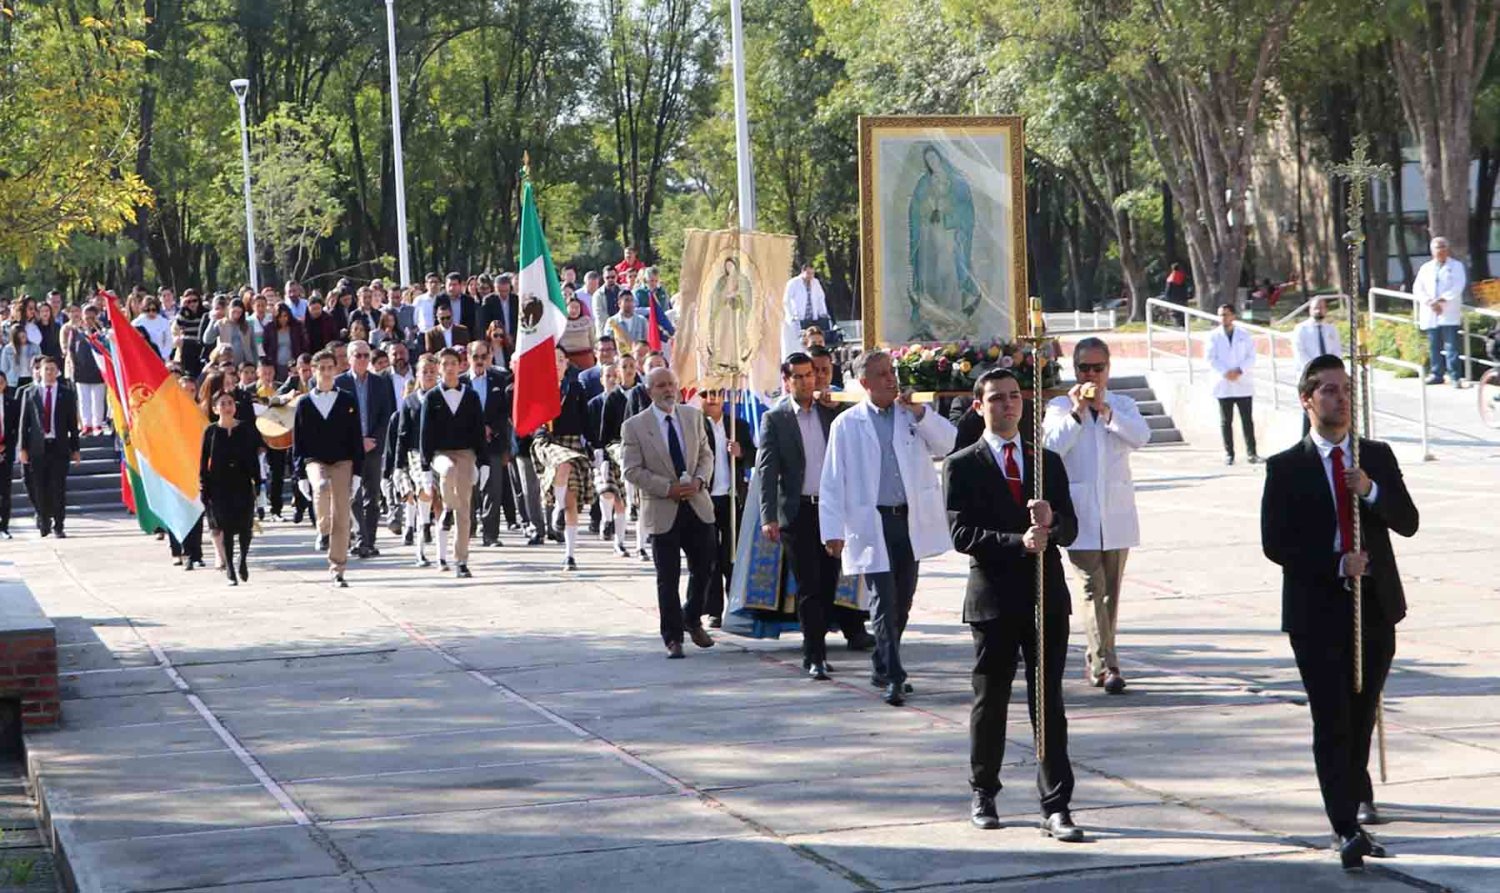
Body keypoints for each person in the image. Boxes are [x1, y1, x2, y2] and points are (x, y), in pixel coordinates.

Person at [1260, 354, 1420, 870]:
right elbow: (1275, 543)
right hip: (1317, 611)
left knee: (1360, 715)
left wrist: (1370, 490)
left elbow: (1409, 521)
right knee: (1332, 719)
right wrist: (1336, 562)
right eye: (1328, 390)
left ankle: (1351, 809)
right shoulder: (1286, 467)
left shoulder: (1374, 455)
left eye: (1346, 389)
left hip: (1374, 607)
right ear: (1308, 400)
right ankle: (1345, 826)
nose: (1340, 398)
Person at [947, 367, 1083, 842]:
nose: (1008, 405)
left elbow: (1071, 528)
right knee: (992, 700)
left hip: (1045, 596)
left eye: (1014, 398)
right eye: (998, 398)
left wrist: (1054, 521)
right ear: (980, 406)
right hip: (993, 599)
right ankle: (984, 790)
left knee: (1048, 703)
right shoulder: (963, 464)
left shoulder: (1046, 462)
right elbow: (961, 533)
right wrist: (1016, 541)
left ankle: (1057, 804)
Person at [821, 349, 956, 705]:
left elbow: (950, 443)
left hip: (908, 519)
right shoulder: (847, 425)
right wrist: (831, 530)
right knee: (883, 600)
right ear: (864, 383)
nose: (890, 378)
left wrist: (922, 413)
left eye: (891, 371)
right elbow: (833, 481)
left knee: (904, 600)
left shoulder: (910, 416)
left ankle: (882, 663)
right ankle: (895, 675)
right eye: (881, 374)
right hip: (871, 520)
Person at [1042, 338, 1151, 693]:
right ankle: (1109, 665)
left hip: (1116, 514)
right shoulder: (1060, 406)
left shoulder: (1122, 404)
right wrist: (1078, 413)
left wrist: (1105, 412)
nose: (1091, 374)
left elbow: (1141, 437)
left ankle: (1096, 655)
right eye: (1084, 368)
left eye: (1097, 368)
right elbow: (1051, 447)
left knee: (1110, 595)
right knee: (1091, 588)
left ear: (1108, 370)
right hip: (1081, 516)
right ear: (1074, 371)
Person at [757, 353, 844, 678]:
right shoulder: (776, 419)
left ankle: (818, 645)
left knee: (828, 582)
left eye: (811, 375)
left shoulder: (831, 411)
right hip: (797, 512)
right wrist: (769, 516)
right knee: (808, 584)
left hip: (831, 509)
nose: (808, 381)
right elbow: (767, 471)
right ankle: (814, 655)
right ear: (787, 380)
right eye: (799, 376)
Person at [622, 366, 717, 658]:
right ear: (649, 391)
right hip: (663, 508)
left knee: (706, 567)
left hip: (697, 504)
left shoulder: (692, 416)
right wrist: (667, 488)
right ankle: (673, 637)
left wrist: (700, 480)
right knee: (668, 576)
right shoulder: (635, 426)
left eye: (671, 385)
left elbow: (706, 454)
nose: (667, 390)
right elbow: (631, 469)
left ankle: (691, 616)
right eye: (660, 385)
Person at [293, 349, 365, 587]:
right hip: (315, 461)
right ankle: (323, 531)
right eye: (320, 368)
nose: (325, 373)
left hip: (343, 461)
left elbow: (356, 438)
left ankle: (338, 568)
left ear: (336, 370)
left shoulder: (347, 400)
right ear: (313, 371)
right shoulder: (304, 403)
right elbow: (298, 441)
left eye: (329, 368)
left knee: (342, 516)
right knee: (322, 487)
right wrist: (299, 475)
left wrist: (357, 473)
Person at [419, 348, 489, 578]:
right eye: (445, 363)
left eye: (453, 363)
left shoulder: (470, 396)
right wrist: (425, 467)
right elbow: (425, 435)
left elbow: (479, 430)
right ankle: (446, 507)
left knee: (465, 508)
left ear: (460, 366)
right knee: (447, 471)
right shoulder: (432, 397)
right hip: (440, 453)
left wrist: (484, 462)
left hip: (466, 453)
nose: (449, 368)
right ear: (439, 368)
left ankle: (461, 560)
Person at [532, 348, 594, 569]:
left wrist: (594, 447)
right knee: (563, 463)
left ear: (566, 363)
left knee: (571, 502)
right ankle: (556, 508)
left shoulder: (576, 388)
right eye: (552, 359)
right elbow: (532, 418)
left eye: (560, 359)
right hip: (548, 441)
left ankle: (569, 555)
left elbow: (585, 420)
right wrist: (540, 432)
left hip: (573, 442)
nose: (556, 363)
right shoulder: (541, 387)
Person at [335, 340, 397, 559]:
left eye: (365, 356)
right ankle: (359, 537)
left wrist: (373, 440)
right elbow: (337, 419)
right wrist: (355, 441)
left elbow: (387, 415)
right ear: (349, 358)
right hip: (349, 449)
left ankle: (369, 540)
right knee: (353, 494)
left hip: (373, 446)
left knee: (372, 494)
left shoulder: (380, 383)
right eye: (358, 355)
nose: (362, 360)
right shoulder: (339, 383)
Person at [700, 389, 755, 628]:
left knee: (732, 554)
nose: (712, 399)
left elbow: (753, 456)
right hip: (706, 497)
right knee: (709, 554)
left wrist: (741, 452)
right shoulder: (696, 425)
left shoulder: (737, 425)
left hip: (733, 497)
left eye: (716, 394)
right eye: (706, 395)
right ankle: (713, 609)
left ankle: (735, 605)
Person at [200, 390, 261, 586]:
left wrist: (257, 481)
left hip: (242, 483)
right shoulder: (210, 432)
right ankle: (230, 569)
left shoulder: (245, 429)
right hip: (219, 486)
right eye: (223, 404)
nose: (227, 407)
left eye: (230, 403)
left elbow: (253, 457)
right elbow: (203, 461)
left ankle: (242, 558)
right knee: (225, 527)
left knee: (245, 526)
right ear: (215, 408)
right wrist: (204, 485)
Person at [18, 355, 80, 538]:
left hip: (59, 447)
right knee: (39, 487)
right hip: (37, 448)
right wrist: (23, 449)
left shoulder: (66, 393)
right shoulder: (30, 393)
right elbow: (24, 423)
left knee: (58, 487)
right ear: (40, 371)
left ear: (58, 372)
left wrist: (75, 449)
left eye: (53, 369)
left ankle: (59, 525)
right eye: (46, 369)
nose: (50, 373)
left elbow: (72, 425)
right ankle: (44, 520)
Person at [458, 340, 512, 548]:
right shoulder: (460, 383)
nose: (480, 361)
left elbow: (504, 411)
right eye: (475, 357)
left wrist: (492, 429)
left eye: (484, 356)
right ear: (468, 358)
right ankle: (467, 529)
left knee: (493, 489)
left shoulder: (500, 379)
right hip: (467, 445)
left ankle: (490, 534)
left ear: (490, 357)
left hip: (493, 442)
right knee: (467, 489)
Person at [585, 362, 632, 558]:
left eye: (615, 374)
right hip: (600, 453)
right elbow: (590, 432)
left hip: (622, 452)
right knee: (606, 492)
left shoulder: (625, 399)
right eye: (608, 375)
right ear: (601, 379)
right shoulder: (594, 404)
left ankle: (619, 543)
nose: (612, 379)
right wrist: (596, 453)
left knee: (620, 500)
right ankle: (606, 519)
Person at [1207, 303, 1259, 465]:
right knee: (1226, 421)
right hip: (1223, 383)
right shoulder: (1213, 336)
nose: (1223, 318)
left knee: (1247, 420)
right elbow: (1210, 358)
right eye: (1221, 315)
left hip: (1242, 381)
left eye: (1226, 314)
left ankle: (1252, 453)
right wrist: (1226, 372)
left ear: (1233, 316)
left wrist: (1239, 370)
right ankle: (1229, 453)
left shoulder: (1244, 334)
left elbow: (1251, 356)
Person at [1414, 236, 1465, 387]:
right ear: (1432, 250)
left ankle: (1455, 377)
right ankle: (1437, 374)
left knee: (1451, 347)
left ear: (1447, 249)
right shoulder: (1426, 268)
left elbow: (1457, 286)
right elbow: (1418, 288)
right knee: (1434, 346)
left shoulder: (1456, 266)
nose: (1441, 250)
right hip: (1431, 311)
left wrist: (1441, 300)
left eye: (1443, 247)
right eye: (1438, 247)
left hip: (1448, 311)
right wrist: (1429, 302)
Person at [1292, 298, 1343, 438]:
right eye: (1316, 307)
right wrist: (1316, 372)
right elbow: (1300, 353)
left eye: (1321, 307)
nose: (1318, 310)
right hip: (1309, 378)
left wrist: (1333, 372)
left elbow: (1337, 352)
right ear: (1310, 310)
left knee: (1329, 414)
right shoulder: (1301, 329)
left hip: (1329, 380)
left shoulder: (1331, 329)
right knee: (1310, 414)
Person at [782, 264, 829, 359]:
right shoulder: (793, 283)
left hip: (813, 318)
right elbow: (786, 300)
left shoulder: (815, 282)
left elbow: (820, 299)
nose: (810, 276)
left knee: (813, 338)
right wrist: (791, 316)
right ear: (803, 272)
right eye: (808, 273)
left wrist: (823, 313)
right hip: (799, 318)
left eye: (812, 273)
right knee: (800, 342)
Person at [0, 373, 17, 538]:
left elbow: (15, 429)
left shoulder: (11, 403)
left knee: (5, 492)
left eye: (1, 382)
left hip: (6, 453)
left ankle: (4, 526)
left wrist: (6, 446)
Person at [578, 335, 616, 400]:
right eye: (602, 350)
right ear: (595, 353)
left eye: (609, 349)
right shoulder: (586, 377)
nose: (605, 353)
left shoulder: (622, 373)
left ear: (615, 352)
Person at [592, 267, 625, 335]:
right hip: (605, 332)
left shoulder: (623, 291)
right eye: (607, 277)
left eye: (613, 277)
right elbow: (599, 315)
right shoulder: (598, 295)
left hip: (623, 330)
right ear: (603, 278)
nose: (610, 279)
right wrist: (616, 323)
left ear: (617, 276)